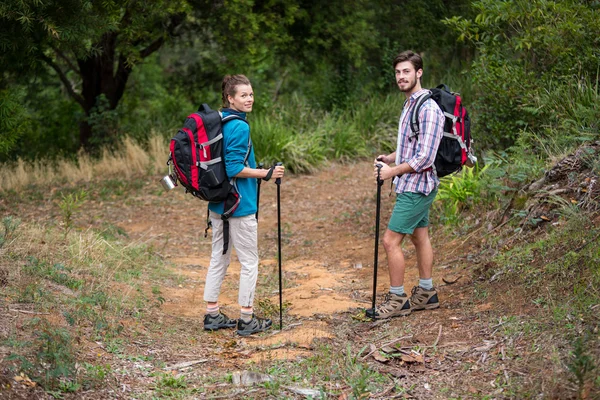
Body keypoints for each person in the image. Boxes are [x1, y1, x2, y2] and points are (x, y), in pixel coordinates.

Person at [203, 74, 285, 335]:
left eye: (251, 94)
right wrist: (266, 173)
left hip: (218, 204)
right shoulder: (240, 126)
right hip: (240, 204)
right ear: (230, 98)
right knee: (250, 261)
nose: (249, 99)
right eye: (243, 95)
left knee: (219, 258)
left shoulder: (220, 123)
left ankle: (212, 314)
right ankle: (247, 319)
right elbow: (234, 168)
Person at [370, 51, 444, 319]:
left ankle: (398, 298)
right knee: (419, 236)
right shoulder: (410, 105)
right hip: (412, 183)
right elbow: (411, 146)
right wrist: (389, 158)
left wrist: (392, 172)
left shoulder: (428, 108)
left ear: (419, 72)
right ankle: (427, 293)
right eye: (398, 72)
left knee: (391, 241)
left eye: (406, 72)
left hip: (417, 186)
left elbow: (425, 156)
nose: (401, 77)